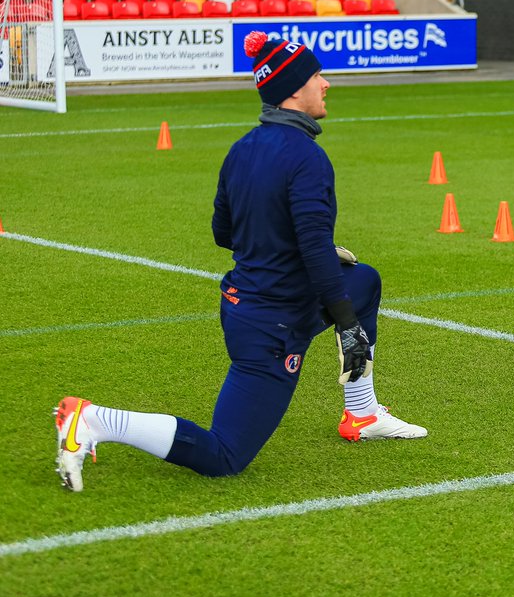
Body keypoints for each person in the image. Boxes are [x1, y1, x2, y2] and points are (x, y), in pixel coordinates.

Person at [54, 31, 426, 492]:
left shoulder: (242, 148)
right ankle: (93, 420)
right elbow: (312, 248)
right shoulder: (308, 159)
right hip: (272, 323)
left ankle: (363, 412)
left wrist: (293, 249)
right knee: (224, 455)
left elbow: (223, 234)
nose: (326, 84)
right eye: (317, 76)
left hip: (251, 302)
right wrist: (348, 325)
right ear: (294, 89)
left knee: (364, 279)